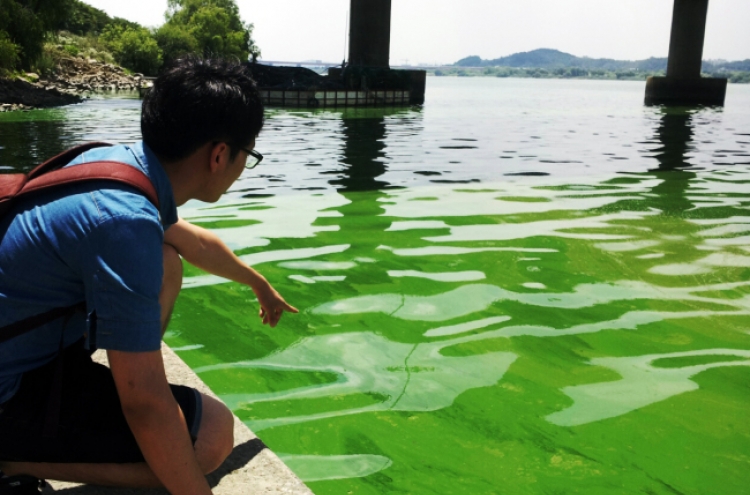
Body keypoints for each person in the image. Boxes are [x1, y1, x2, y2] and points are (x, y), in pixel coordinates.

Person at [0, 56, 297, 494]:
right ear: (219, 155)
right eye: (247, 155)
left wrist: (258, 283)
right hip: (11, 388)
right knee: (212, 435)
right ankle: (10, 460)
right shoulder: (125, 222)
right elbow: (146, 407)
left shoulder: (117, 165)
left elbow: (194, 242)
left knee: (167, 260)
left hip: (23, 349)